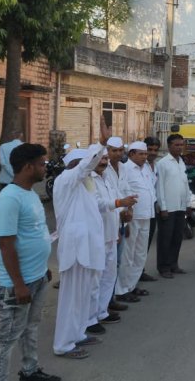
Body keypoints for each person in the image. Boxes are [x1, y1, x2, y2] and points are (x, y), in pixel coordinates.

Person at [0, 143, 60, 381]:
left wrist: (43, 270)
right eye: (42, 164)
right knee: (7, 337)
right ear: (28, 167)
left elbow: (35, 233)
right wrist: (18, 284)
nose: (45, 168)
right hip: (16, 284)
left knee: (30, 328)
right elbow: (6, 245)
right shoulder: (8, 199)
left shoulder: (29, 193)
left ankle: (30, 371)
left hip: (37, 277)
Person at [52, 120, 111, 360]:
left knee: (83, 297)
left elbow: (97, 207)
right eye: (84, 165)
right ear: (74, 166)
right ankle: (63, 344)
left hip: (87, 250)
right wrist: (101, 143)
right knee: (71, 299)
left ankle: (77, 335)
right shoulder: (65, 180)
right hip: (76, 251)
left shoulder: (84, 187)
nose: (90, 168)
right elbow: (86, 166)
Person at [91, 154, 137, 330]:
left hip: (112, 233)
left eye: (105, 159)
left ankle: (102, 312)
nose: (103, 162)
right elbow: (97, 203)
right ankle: (90, 318)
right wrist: (119, 202)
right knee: (96, 279)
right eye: (100, 159)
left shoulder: (106, 178)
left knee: (108, 276)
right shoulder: (89, 180)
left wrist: (125, 212)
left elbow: (117, 200)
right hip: (97, 236)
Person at [114, 142, 156, 302]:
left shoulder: (146, 168)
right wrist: (125, 215)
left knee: (140, 254)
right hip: (133, 217)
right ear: (131, 154)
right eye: (141, 154)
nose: (145, 157)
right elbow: (122, 192)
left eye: (145, 154)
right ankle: (121, 290)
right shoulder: (125, 169)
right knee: (128, 255)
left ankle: (132, 285)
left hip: (147, 215)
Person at [154, 133, 193, 278]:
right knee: (165, 239)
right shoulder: (162, 163)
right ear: (169, 146)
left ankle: (173, 264)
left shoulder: (181, 162)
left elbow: (185, 185)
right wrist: (163, 207)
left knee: (177, 237)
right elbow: (160, 187)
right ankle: (163, 267)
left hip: (180, 207)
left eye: (181, 145)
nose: (179, 147)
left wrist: (188, 203)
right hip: (168, 208)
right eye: (176, 145)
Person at [140, 136, 161, 282]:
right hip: (138, 212)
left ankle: (140, 270)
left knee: (145, 243)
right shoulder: (139, 166)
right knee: (135, 246)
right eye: (149, 149)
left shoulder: (156, 165)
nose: (152, 153)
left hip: (152, 209)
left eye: (155, 150)